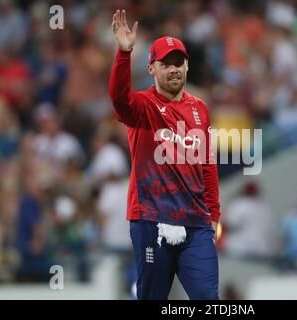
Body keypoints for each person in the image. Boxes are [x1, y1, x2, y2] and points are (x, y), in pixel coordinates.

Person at [109, 10, 221, 300]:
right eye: (165, 63)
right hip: (150, 219)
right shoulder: (142, 106)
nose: (173, 69)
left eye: (178, 62)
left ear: (187, 66)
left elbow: (207, 163)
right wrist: (124, 53)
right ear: (151, 69)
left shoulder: (200, 108)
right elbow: (119, 98)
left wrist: (214, 214)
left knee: (209, 300)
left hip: (196, 224)